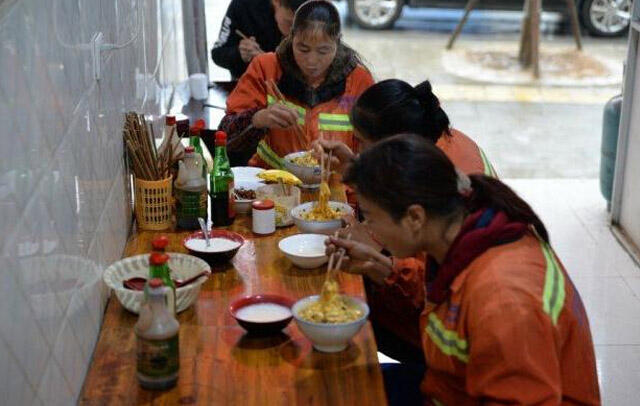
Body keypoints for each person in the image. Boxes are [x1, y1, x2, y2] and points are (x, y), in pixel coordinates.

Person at [330, 134, 600, 405]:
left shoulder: (504, 299)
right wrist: (383, 269)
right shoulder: (462, 227)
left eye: (370, 218)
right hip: (450, 387)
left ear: (414, 217)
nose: (365, 229)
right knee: (337, 384)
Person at [313, 79, 496, 364]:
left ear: (392, 145)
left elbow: (434, 285)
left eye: (361, 141)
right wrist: (358, 169)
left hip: (440, 343)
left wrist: (378, 254)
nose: (356, 148)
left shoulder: (439, 181)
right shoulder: (433, 141)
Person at [218, 0, 374, 170]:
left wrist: (351, 163)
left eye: (323, 51)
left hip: (337, 191)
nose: (312, 61)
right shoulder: (266, 68)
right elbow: (225, 135)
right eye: (303, 49)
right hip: (274, 186)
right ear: (291, 37)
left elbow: (377, 150)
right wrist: (257, 119)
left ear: (337, 43)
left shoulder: (359, 80)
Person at [212, 0, 307, 79]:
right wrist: (239, 54)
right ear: (276, 2)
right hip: (249, 88)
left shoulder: (316, 9)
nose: (293, 33)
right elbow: (218, 53)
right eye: (289, 23)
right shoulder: (243, 5)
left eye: (302, 25)